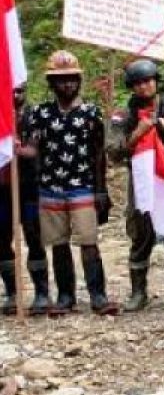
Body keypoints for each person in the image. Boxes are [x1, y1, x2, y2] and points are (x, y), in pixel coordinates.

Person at [26, 51, 118, 315]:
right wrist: (12, 147)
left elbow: (99, 153)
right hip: (50, 187)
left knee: (88, 241)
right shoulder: (40, 113)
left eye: (71, 79)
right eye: (60, 79)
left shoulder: (90, 112)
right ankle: (65, 296)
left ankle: (98, 296)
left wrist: (101, 190)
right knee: (59, 243)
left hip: (83, 186)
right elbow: (33, 149)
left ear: (79, 80)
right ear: (51, 83)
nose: (66, 84)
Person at [108, 58, 164, 311]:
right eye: (137, 83)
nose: (143, 86)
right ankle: (138, 292)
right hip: (141, 182)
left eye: (147, 80)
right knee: (140, 233)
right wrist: (138, 133)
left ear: (156, 81)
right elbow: (113, 151)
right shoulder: (123, 115)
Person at [0, 84, 49, 315]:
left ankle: (41, 292)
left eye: (20, 91)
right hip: (2, 190)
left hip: (29, 188)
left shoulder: (34, 116)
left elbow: (36, 149)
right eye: (11, 91)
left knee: (33, 235)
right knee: (1, 239)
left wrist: (18, 149)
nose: (16, 96)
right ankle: (12, 292)